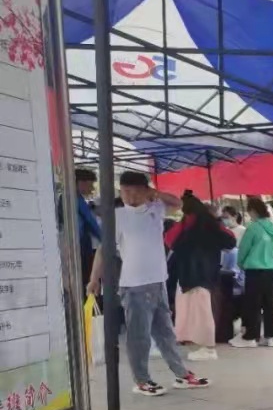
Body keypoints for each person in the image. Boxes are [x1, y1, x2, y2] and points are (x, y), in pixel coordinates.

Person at [86, 172, 210, 396]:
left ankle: (181, 374)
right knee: (139, 336)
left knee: (166, 333)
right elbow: (104, 250)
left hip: (158, 282)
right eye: (126, 191)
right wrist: (94, 278)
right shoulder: (117, 216)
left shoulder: (156, 209)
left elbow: (178, 203)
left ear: (146, 191)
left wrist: (155, 193)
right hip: (134, 285)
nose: (130, 196)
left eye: (136, 191)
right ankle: (142, 379)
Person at [166, 195, 236, 361]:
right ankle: (204, 346)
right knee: (203, 313)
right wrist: (216, 220)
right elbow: (231, 241)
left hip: (188, 275)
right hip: (208, 274)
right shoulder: (212, 224)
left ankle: (208, 348)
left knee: (197, 314)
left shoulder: (186, 224)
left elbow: (169, 240)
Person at [231, 197, 273, 348]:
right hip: (271, 269)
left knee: (253, 304)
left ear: (253, 211)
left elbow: (244, 249)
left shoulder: (253, 228)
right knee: (269, 304)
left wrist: (241, 264)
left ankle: (250, 337)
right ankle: (270, 336)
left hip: (254, 270)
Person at [74, 168, 101, 291]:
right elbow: (91, 223)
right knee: (85, 281)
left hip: (79, 247)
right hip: (81, 248)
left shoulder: (72, 198)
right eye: (91, 184)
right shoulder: (75, 200)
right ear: (81, 183)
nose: (92, 188)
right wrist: (107, 240)